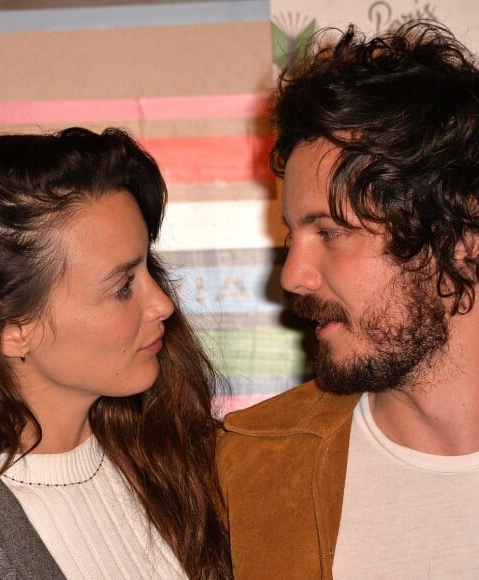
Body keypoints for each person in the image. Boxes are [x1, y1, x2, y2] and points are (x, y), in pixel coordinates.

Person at [0, 127, 232, 579]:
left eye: (146, 267)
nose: (163, 305)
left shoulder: (186, 460)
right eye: (122, 287)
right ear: (11, 331)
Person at [217, 20, 479, 579]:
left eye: (330, 232)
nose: (291, 276)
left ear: (460, 241)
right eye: (293, 236)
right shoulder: (246, 469)